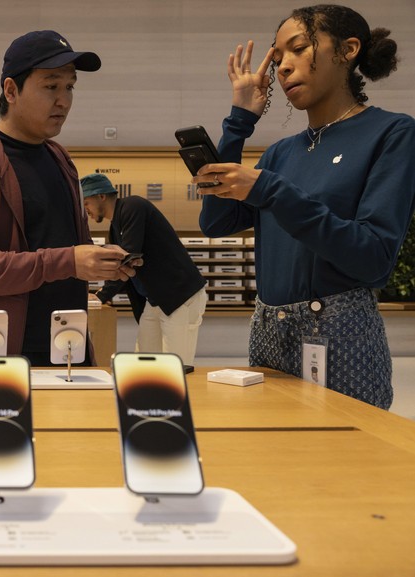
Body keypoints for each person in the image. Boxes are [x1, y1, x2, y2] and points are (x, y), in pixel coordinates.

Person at [197, 5, 415, 409]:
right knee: (277, 460)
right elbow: (216, 220)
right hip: (268, 331)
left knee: (346, 460)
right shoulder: (281, 153)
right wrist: (239, 121)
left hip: (340, 330)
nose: (282, 68)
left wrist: (271, 190)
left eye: (297, 49)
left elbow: (373, 257)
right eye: (277, 59)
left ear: (347, 50)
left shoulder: (392, 133)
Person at [0, 30, 135, 367]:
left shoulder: (60, 159)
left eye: (70, 87)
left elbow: (68, 249)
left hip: (66, 350)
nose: (64, 100)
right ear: (11, 90)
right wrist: (68, 260)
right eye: (51, 86)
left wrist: (100, 260)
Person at [81, 173, 207, 366]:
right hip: (155, 299)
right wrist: (102, 294)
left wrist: (102, 294)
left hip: (180, 296)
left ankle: (176, 397)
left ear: (101, 196)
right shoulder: (115, 226)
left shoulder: (133, 206)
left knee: (176, 365)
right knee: (145, 360)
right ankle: (149, 396)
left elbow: (130, 256)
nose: (85, 210)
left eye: (86, 202)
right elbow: (125, 264)